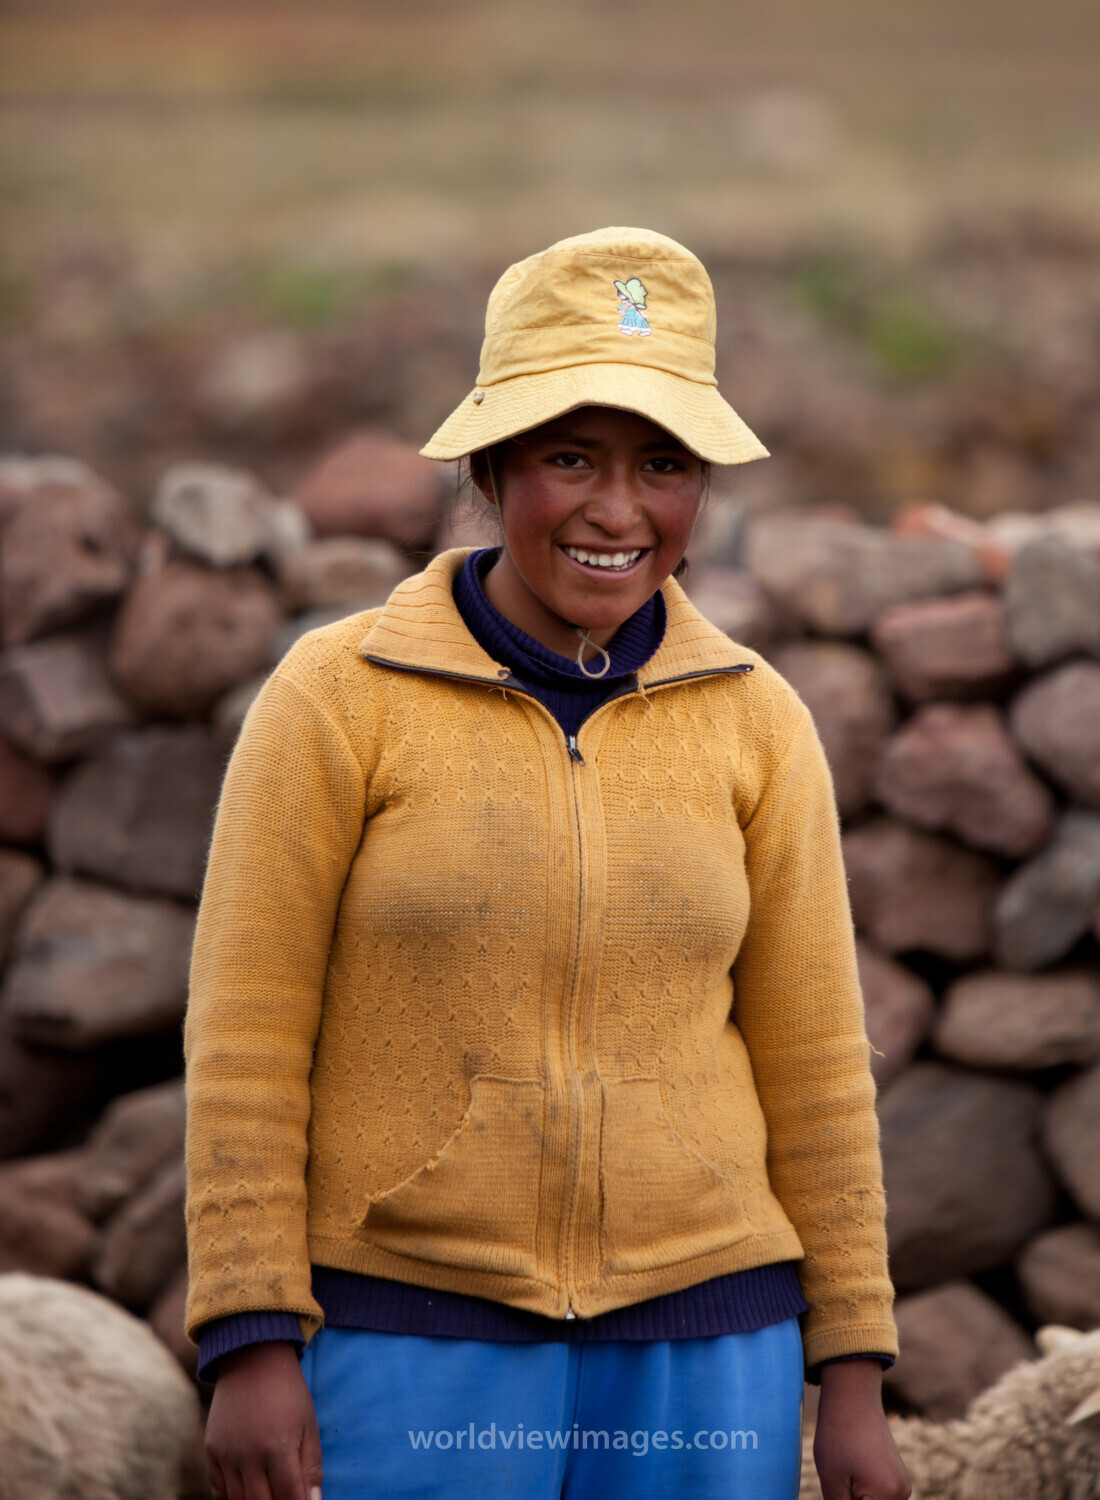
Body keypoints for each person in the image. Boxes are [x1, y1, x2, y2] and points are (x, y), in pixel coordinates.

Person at [185, 226, 911, 1500]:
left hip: (708, 1346)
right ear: (489, 462)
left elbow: (813, 1059)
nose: (616, 511)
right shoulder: (339, 697)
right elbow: (244, 1028)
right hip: (406, 1334)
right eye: (568, 456)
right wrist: (248, 1332)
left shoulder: (755, 719)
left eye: (663, 464)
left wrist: (850, 1362)